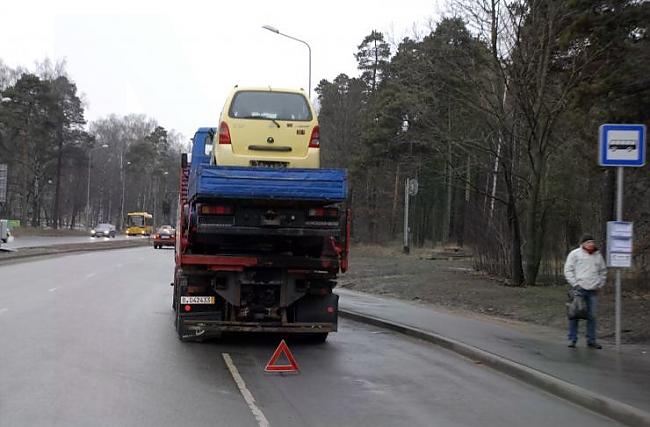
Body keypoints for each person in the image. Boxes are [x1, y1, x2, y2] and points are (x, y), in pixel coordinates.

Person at [563, 234, 607, 349]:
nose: (591, 244)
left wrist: (600, 284)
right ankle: (572, 339)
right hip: (579, 289)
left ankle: (591, 340)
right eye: (588, 242)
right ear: (582, 244)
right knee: (575, 315)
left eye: (592, 242)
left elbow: (603, 271)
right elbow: (568, 270)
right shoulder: (575, 254)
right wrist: (575, 284)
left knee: (592, 316)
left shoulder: (598, 256)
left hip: (593, 290)